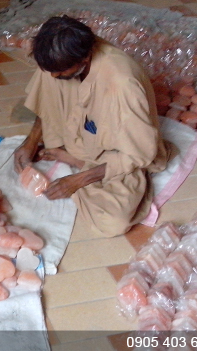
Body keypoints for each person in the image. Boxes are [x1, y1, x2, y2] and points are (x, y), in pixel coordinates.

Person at [14, 16, 171, 237]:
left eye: (61, 72)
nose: (55, 76)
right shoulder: (63, 61)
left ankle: (80, 163)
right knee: (48, 72)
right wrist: (30, 142)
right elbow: (47, 95)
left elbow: (139, 155)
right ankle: (76, 157)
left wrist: (78, 180)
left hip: (114, 153)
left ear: (86, 57)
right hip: (83, 133)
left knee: (113, 221)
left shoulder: (122, 85)